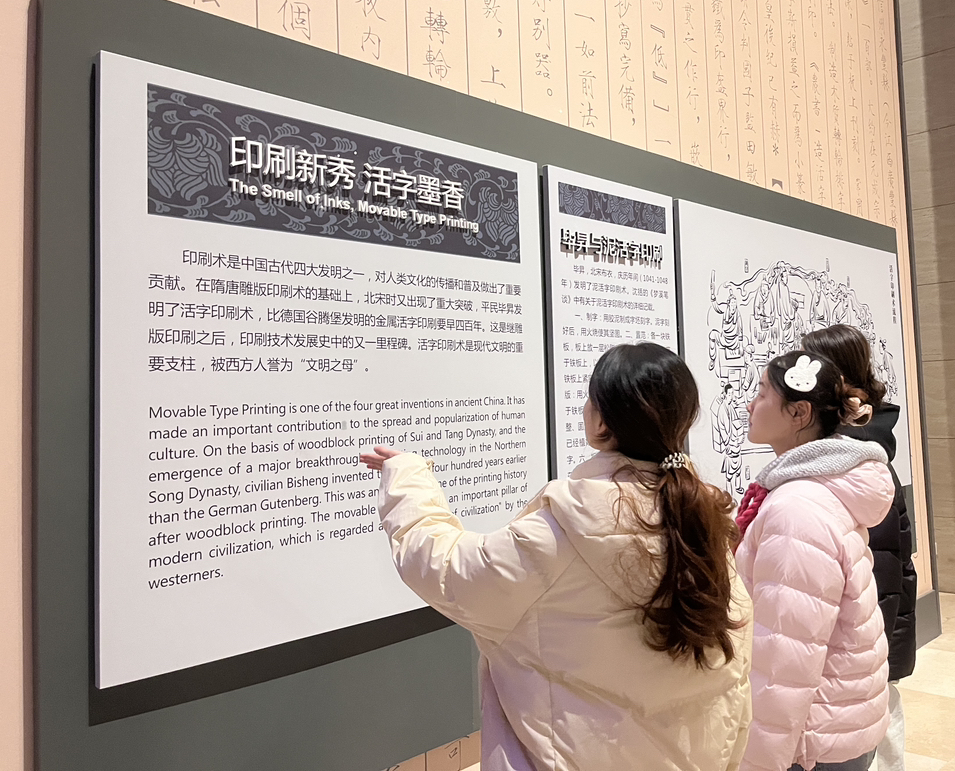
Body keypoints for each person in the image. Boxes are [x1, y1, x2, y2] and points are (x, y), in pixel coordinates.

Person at [360, 342, 752, 771]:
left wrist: (409, 481)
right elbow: (734, 679)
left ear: (600, 422)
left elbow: (449, 570)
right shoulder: (703, 521)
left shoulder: (566, 527)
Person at [734, 350, 894, 771]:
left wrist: (758, 760)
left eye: (762, 394)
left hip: (811, 741)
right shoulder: (815, 486)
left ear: (799, 413)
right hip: (835, 720)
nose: (750, 405)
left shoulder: (795, 508)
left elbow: (785, 658)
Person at [802, 325, 917, 771]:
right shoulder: (863, 446)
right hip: (871, 633)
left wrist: (875, 645)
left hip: (865, 633)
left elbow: (883, 565)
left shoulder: (853, 458)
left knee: (872, 728)